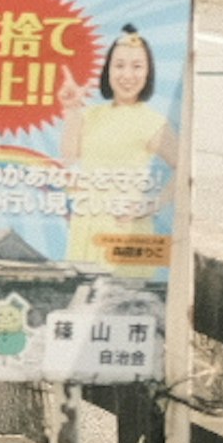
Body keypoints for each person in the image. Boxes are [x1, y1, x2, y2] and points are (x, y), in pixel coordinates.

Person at [64, 26, 172, 268]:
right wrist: (71, 110)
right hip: (85, 227)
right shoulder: (90, 115)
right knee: (79, 299)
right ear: (108, 70)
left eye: (137, 67)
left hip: (124, 232)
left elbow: (182, 168)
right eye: (119, 65)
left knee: (121, 302)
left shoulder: (152, 122)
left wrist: (150, 204)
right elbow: (69, 157)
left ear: (148, 73)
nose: (127, 75)